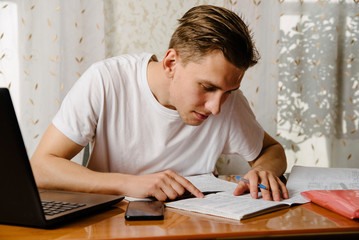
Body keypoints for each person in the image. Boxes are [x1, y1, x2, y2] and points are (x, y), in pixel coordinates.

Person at [30, 5, 289, 202]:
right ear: (171, 63)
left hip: (192, 226)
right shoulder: (106, 80)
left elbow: (271, 149)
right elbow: (41, 168)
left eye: (229, 91)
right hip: (111, 226)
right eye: (207, 87)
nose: (216, 107)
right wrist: (129, 184)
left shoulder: (229, 103)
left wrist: (264, 170)